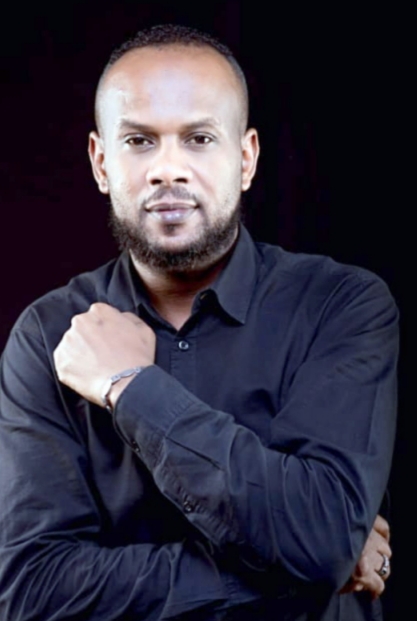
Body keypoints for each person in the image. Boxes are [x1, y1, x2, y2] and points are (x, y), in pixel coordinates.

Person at [0, 24, 397, 621]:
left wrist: (131, 387)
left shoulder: (341, 305)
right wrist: (311, 572)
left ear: (246, 159)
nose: (168, 169)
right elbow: (32, 590)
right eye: (139, 141)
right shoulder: (47, 335)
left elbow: (322, 539)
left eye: (200, 138)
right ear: (101, 163)